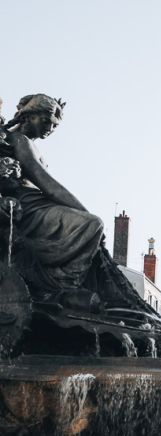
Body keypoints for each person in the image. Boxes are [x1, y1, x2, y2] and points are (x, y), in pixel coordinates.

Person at [0, 94, 104, 308]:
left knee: (91, 226)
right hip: (29, 207)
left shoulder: (25, 142)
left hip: (36, 203)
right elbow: (48, 185)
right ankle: (62, 285)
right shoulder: (20, 140)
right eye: (45, 121)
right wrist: (84, 211)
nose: (50, 128)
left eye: (55, 125)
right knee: (92, 224)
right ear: (28, 117)